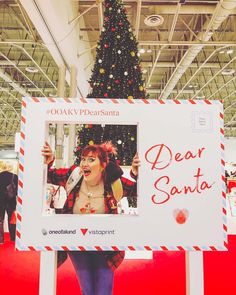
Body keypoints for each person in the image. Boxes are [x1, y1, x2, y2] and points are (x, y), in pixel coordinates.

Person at [42, 141, 140, 295]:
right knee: (87, 289)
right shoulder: (74, 176)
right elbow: (49, 175)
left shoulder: (113, 184)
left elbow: (139, 190)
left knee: (104, 290)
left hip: (106, 245)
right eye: (83, 159)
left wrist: (136, 172)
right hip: (77, 242)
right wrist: (48, 161)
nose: (84, 164)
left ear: (103, 165)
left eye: (91, 159)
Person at [0, 171, 18, 243]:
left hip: (1, 200)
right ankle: (13, 238)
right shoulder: (15, 177)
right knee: (12, 219)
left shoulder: (0, 176)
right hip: (11, 201)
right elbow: (17, 191)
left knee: (0, 219)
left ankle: (0, 239)